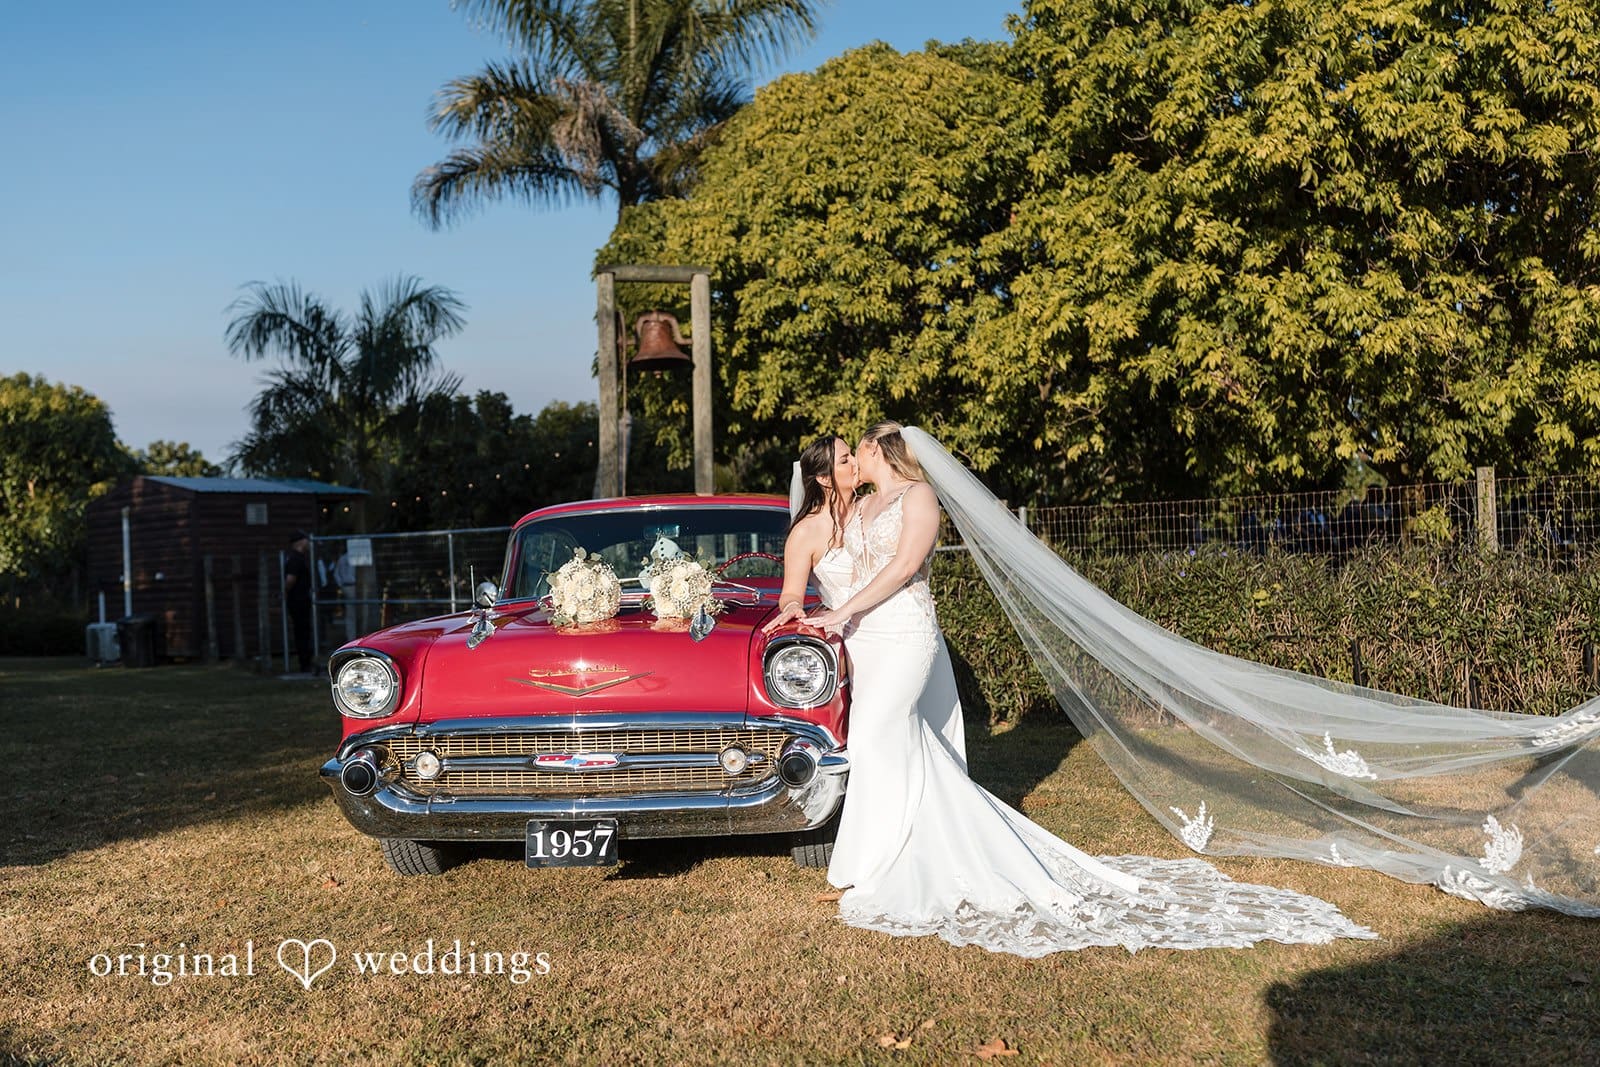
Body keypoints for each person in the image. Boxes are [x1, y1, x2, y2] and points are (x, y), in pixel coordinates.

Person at [793, 422, 1376, 954]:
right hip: (866, 644)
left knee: (873, 740)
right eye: (845, 457)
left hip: (906, 636)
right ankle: (893, 854)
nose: (854, 459)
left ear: (880, 450)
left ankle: (886, 859)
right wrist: (809, 606)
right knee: (898, 747)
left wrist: (843, 609)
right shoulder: (861, 506)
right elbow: (829, 556)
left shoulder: (919, 497)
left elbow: (900, 570)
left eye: (859, 450)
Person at [283, 530, 314, 674]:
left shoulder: (299, 557)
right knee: (301, 631)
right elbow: (290, 579)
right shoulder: (295, 559)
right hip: (298, 600)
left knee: (304, 631)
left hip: (301, 599)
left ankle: (307, 660)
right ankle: (304, 663)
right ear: (300, 542)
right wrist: (285, 592)